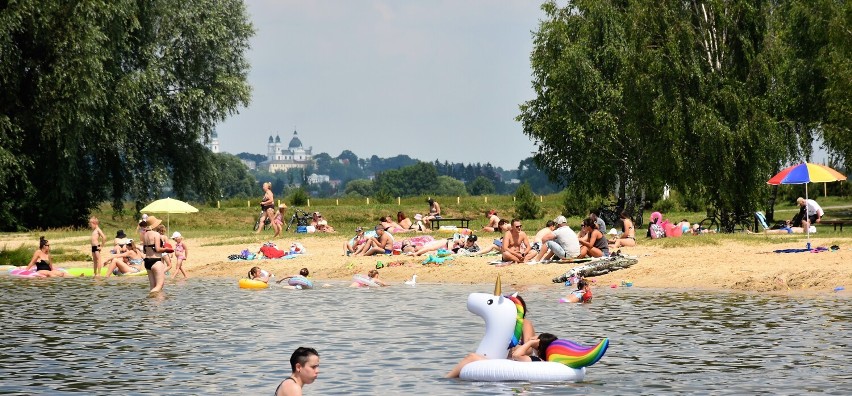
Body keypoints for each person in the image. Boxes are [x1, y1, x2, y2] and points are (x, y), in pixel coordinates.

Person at [141, 216, 169, 293]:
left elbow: (144, 251)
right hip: (156, 260)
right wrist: (166, 249)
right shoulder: (156, 234)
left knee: (152, 285)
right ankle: (150, 297)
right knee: (159, 285)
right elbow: (158, 249)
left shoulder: (145, 235)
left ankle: (153, 303)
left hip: (147, 261)